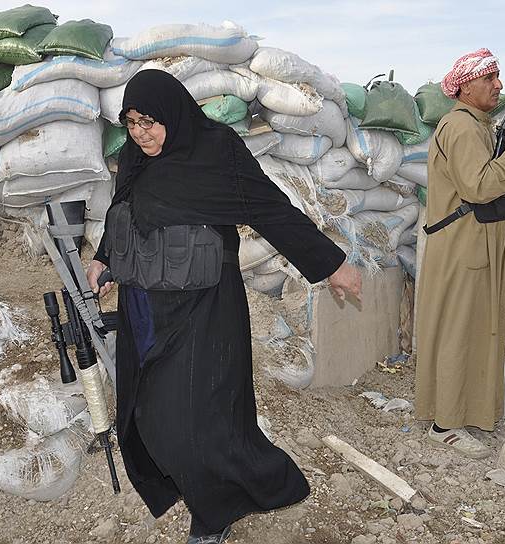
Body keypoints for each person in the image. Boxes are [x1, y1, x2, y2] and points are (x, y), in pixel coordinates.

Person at [86, 70, 362, 544]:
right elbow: (124, 210)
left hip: (203, 309)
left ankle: (214, 513)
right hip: (145, 307)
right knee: (148, 412)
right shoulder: (135, 156)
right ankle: (190, 481)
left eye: (149, 122)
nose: (140, 133)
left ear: (173, 114)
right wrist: (104, 258)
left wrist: (332, 264)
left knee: (199, 419)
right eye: (131, 123)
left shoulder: (217, 151)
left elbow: (271, 209)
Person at [414, 48, 505, 459]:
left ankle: (464, 411)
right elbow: (480, 187)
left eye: (498, 77)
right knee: (457, 331)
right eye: (489, 79)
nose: (498, 85)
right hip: (463, 245)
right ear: (465, 87)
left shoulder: (475, 125)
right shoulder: (463, 128)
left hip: (473, 241)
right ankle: (444, 424)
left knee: (472, 329)